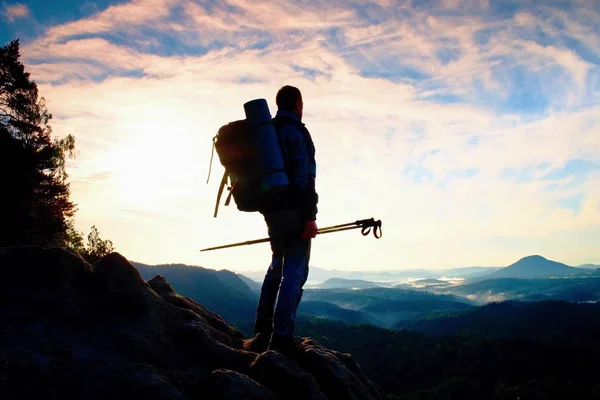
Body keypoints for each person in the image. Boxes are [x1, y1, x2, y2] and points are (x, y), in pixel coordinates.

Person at [245, 85, 319, 356]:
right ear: (298, 103)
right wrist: (309, 218)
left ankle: (262, 330)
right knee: (295, 271)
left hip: (271, 212)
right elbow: (305, 179)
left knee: (277, 265)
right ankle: (282, 337)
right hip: (294, 211)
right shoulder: (297, 132)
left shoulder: (266, 132)